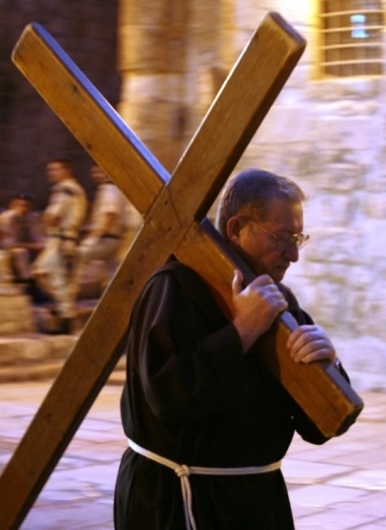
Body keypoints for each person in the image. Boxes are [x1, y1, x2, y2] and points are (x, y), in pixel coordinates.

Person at [114, 168, 352, 530]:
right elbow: (166, 398)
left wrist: (328, 362)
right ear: (237, 228)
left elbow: (321, 426)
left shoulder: (280, 301)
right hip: (177, 500)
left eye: (298, 238)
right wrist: (241, 331)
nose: (293, 254)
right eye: (282, 237)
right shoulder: (173, 287)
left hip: (257, 502)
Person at [32, 158, 87, 334]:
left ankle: (66, 317)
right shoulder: (76, 189)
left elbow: (53, 216)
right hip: (65, 239)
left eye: (55, 170)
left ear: (66, 170)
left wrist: (45, 223)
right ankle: (65, 311)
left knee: (53, 277)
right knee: (49, 275)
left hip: (60, 240)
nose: (51, 174)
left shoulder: (64, 189)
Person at [75, 164, 129, 291]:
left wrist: (95, 235)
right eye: (94, 172)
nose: (95, 175)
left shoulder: (109, 189)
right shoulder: (117, 189)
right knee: (112, 276)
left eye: (99, 172)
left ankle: (66, 303)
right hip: (116, 239)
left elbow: (111, 214)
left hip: (106, 238)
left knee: (77, 257)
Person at [0, 193, 44, 286]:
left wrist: (39, 245)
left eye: (27, 206)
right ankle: (26, 280)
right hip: (8, 250)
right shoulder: (6, 218)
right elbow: (8, 243)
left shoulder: (31, 218)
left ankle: (42, 281)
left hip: (28, 247)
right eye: (20, 205)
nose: (24, 209)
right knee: (21, 252)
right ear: (12, 206)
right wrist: (31, 246)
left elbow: (37, 237)